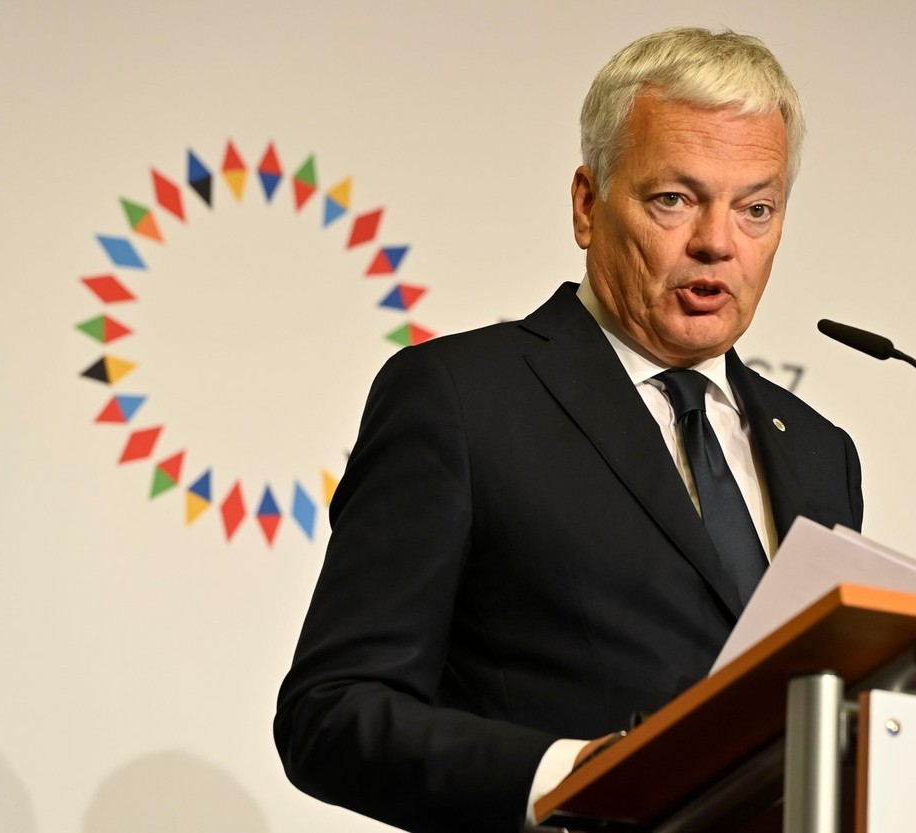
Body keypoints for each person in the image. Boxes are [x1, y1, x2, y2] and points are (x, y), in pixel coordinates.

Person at [274, 27, 863, 833]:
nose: (718, 243)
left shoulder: (822, 453)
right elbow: (332, 711)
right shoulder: (462, 399)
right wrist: (569, 774)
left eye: (755, 208)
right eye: (674, 199)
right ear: (588, 205)